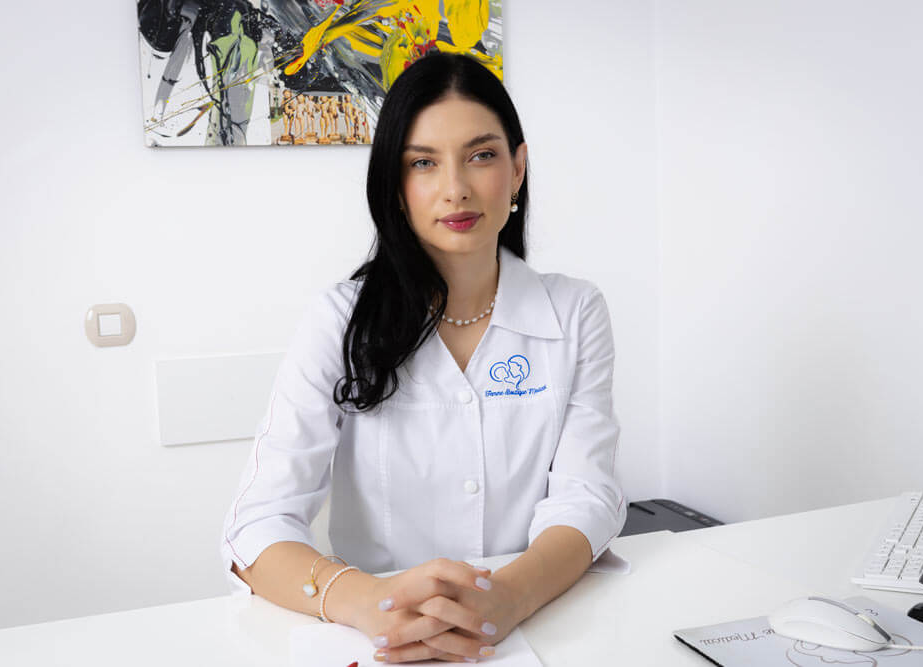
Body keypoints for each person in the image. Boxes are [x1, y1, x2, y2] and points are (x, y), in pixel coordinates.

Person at [221, 53, 626, 663]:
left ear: (518, 168)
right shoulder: (339, 320)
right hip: (375, 642)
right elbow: (257, 523)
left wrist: (508, 597)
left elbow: (588, 496)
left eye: (481, 155)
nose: (455, 188)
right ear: (395, 184)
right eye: (423, 163)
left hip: (538, 628)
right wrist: (369, 601)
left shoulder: (575, 312)